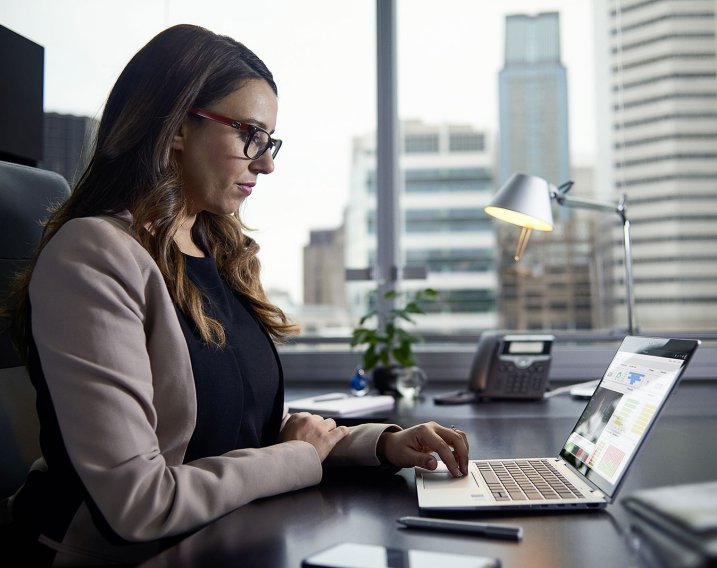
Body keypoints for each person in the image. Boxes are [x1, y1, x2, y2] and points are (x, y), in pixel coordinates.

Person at [0, 24, 469, 566]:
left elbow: (242, 425)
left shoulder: (215, 249)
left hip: (229, 534)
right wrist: (297, 457)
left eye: (269, 142)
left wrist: (381, 445)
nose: (265, 163)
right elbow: (138, 505)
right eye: (250, 134)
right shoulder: (94, 254)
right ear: (175, 126)